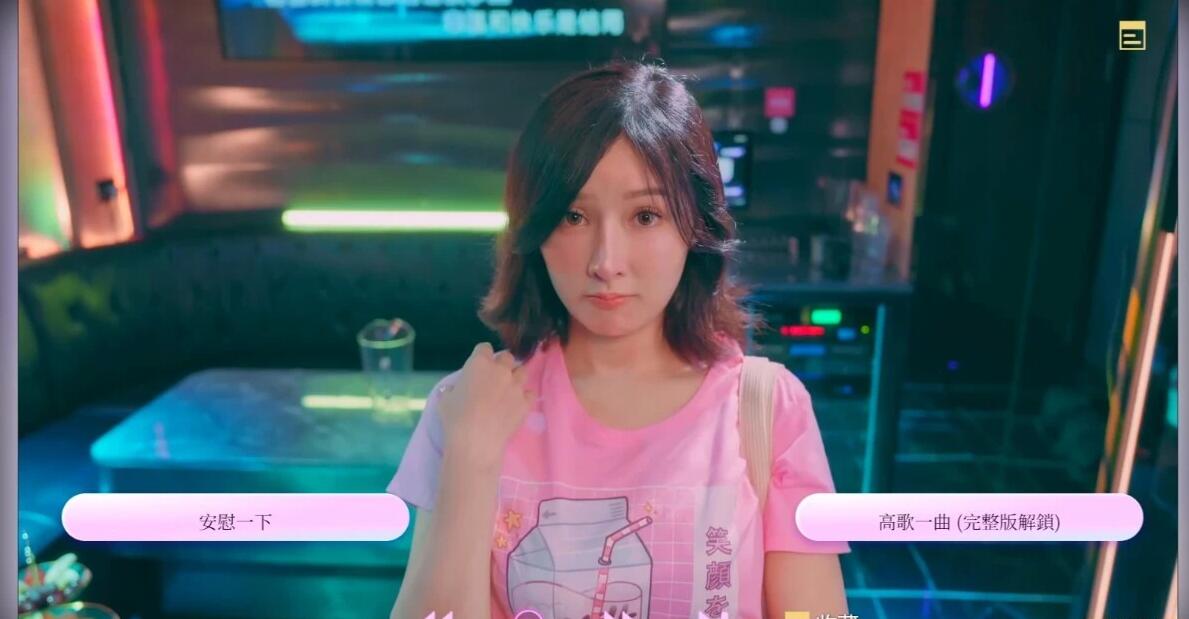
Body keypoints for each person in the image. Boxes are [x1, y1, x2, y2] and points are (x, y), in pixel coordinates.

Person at [388, 60, 849, 619]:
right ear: (534, 229)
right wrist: (470, 457)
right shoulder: (467, 407)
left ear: (695, 226)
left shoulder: (767, 410)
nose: (606, 262)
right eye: (573, 216)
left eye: (646, 216)